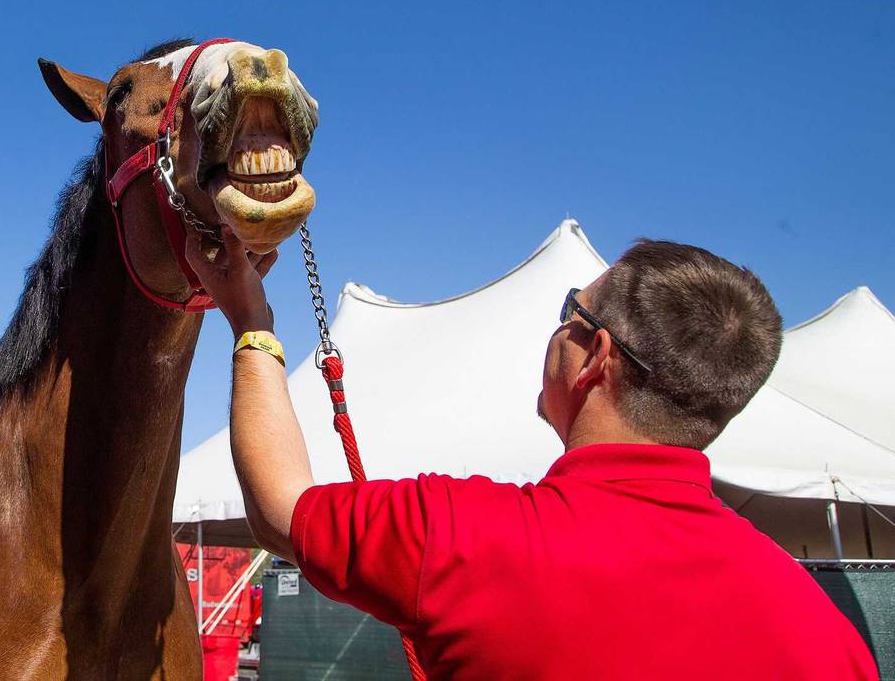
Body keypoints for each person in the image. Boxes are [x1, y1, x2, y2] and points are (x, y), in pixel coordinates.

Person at [184, 229, 878, 680]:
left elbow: (282, 507)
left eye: (569, 312)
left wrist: (251, 321)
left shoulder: (457, 534)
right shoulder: (832, 637)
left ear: (592, 358)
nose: (556, 330)